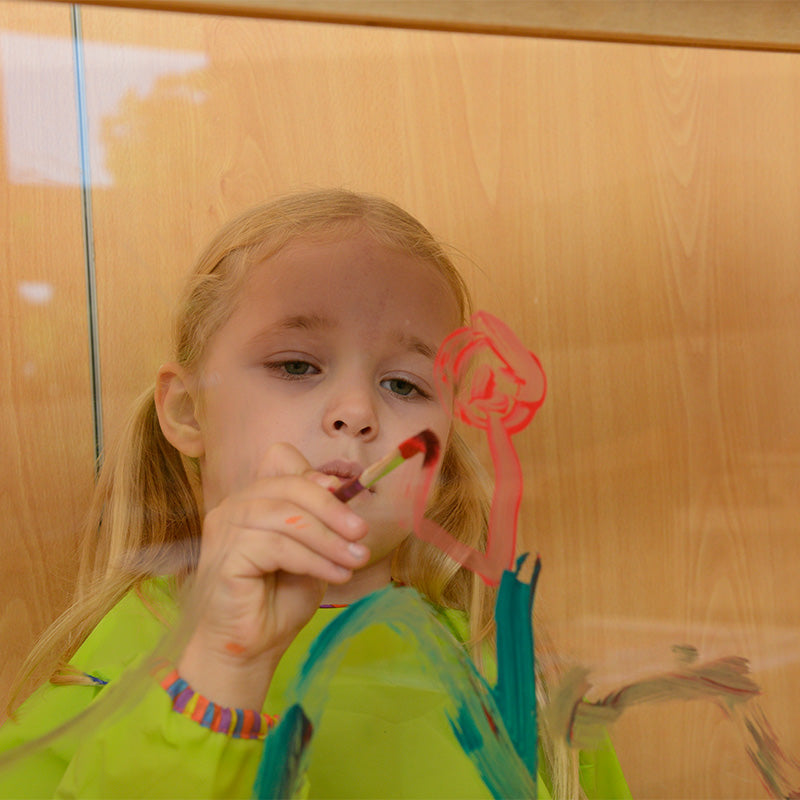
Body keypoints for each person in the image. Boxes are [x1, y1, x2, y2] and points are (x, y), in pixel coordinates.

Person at [0, 189, 629, 799]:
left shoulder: (519, 687)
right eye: (297, 366)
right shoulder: (111, 667)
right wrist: (224, 673)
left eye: (404, 385)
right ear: (189, 412)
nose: (356, 413)